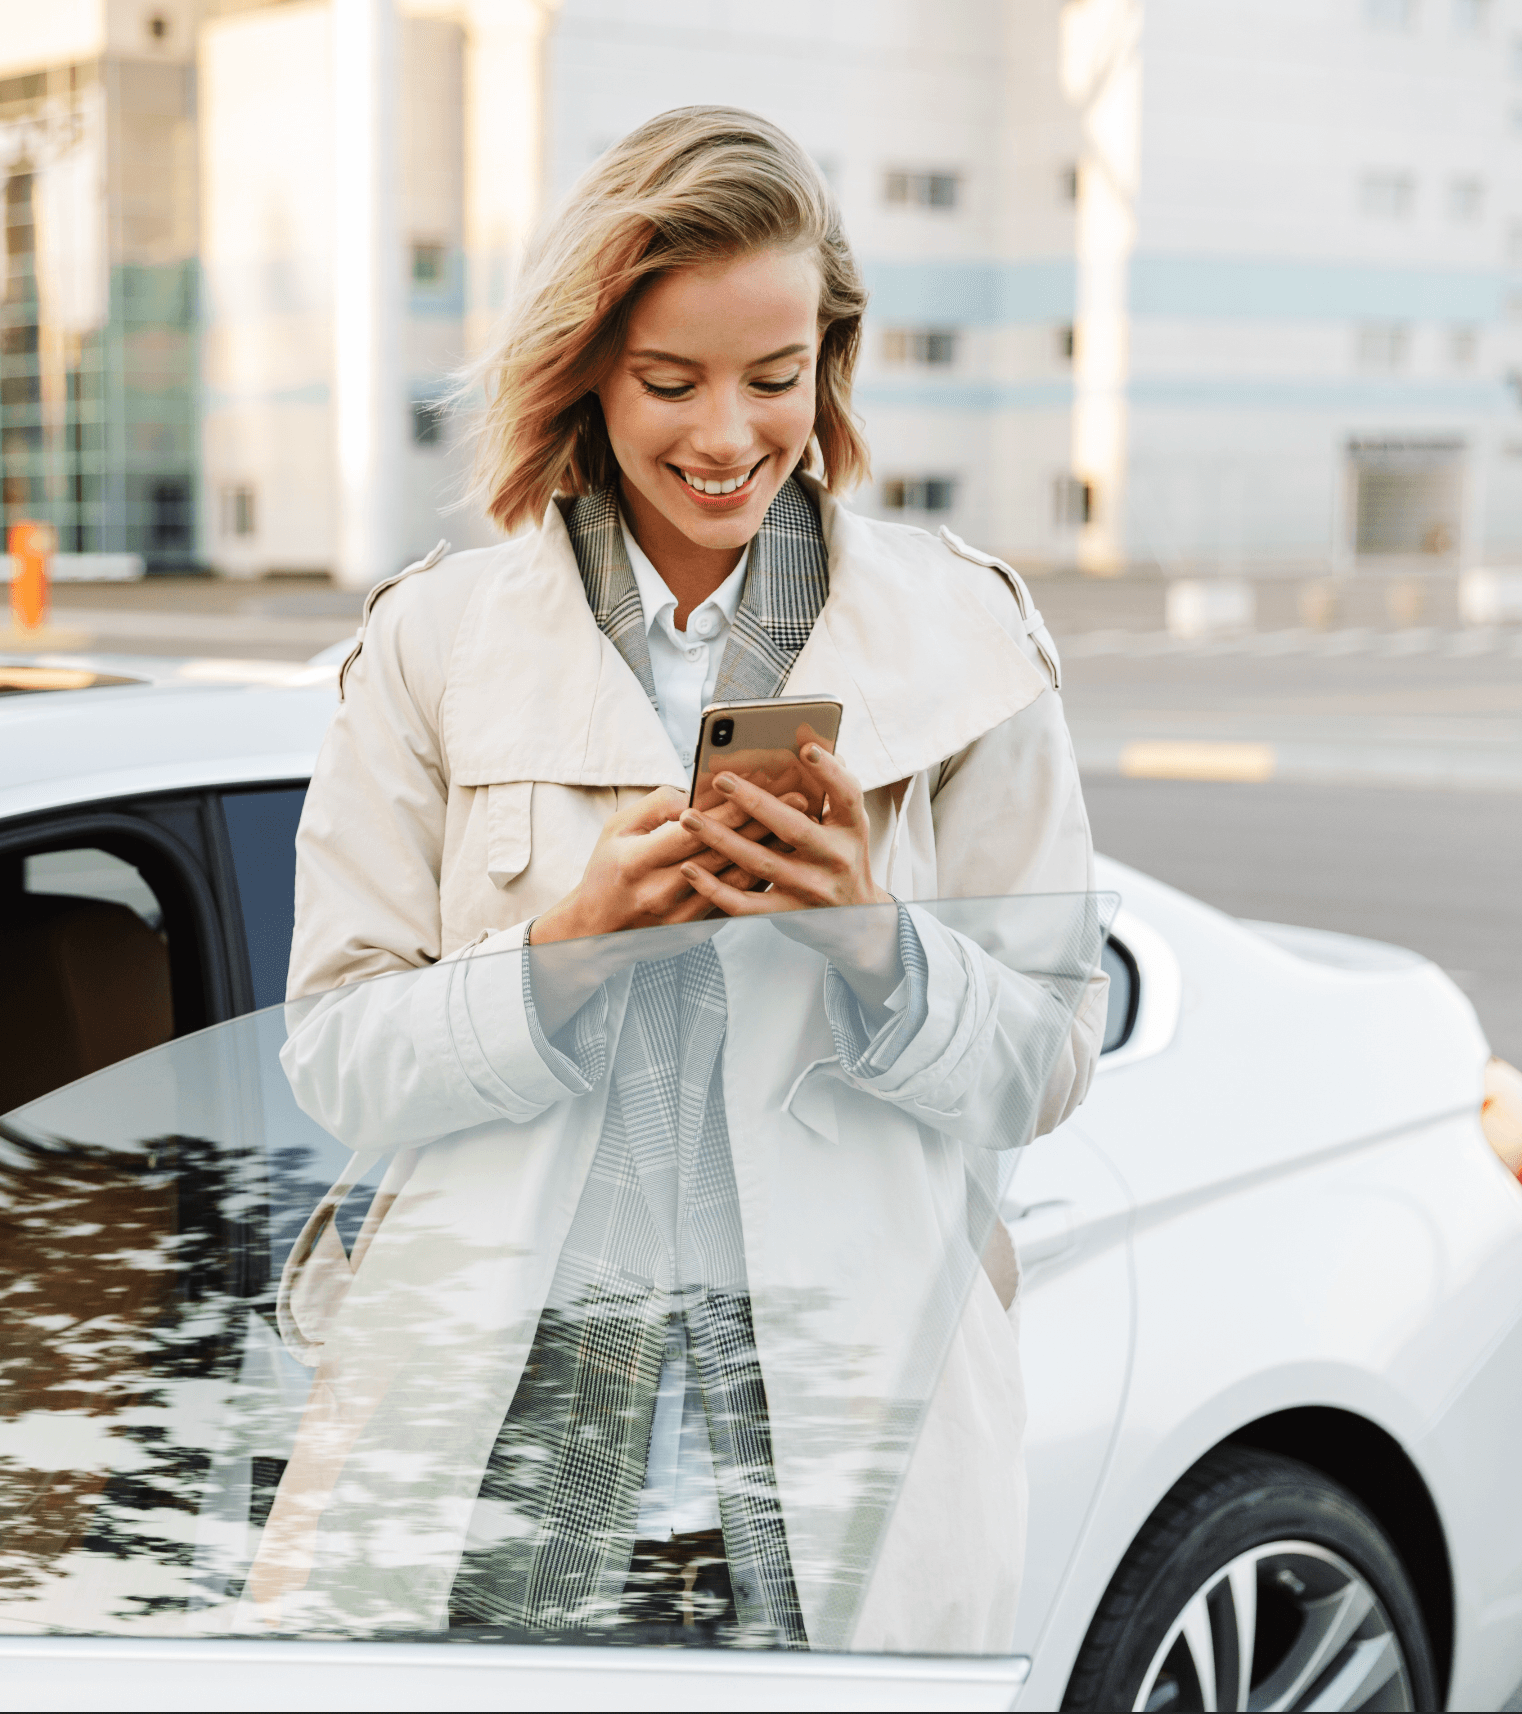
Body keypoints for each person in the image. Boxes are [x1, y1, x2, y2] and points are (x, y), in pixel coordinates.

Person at [253, 107, 1108, 1653]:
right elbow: (337, 1058)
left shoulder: (965, 636)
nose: (727, 437)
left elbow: (1051, 1057)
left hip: (846, 1474)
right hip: (486, 1488)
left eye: (774, 380)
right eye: (671, 381)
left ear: (829, 359)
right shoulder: (436, 646)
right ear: (585, 361)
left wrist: (876, 945)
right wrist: (559, 954)